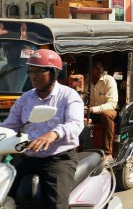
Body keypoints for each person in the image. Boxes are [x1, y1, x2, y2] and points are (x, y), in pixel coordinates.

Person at [1, 49, 84, 209]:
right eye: (31, 71)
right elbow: (9, 125)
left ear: (53, 73)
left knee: (57, 205)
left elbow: (75, 124)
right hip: (29, 158)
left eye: (39, 71)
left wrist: (53, 134)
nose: (33, 75)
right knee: (5, 194)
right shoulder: (25, 98)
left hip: (58, 159)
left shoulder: (68, 96)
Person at [88, 60, 118, 162]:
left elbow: (112, 104)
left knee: (106, 115)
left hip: (107, 111)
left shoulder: (109, 80)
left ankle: (108, 152)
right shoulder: (86, 80)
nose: (99, 70)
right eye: (96, 68)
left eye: (100, 67)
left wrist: (92, 109)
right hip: (90, 111)